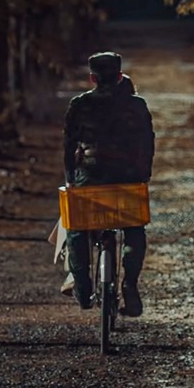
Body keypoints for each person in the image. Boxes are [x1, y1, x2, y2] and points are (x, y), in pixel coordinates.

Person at [62, 52, 155, 316]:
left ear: (92, 77)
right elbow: (148, 143)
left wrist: (71, 177)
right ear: (118, 75)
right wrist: (143, 174)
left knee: (77, 230)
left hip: (89, 179)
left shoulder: (79, 105)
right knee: (134, 230)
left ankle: (82, 287)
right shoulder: (137, 105)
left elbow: (69, 145)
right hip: (127, 178)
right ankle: (130, 284)